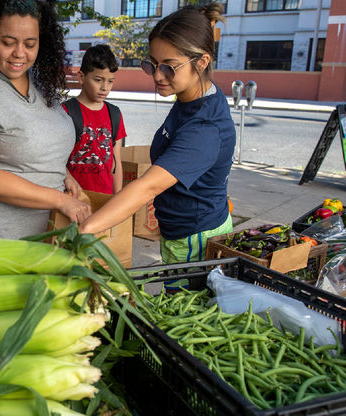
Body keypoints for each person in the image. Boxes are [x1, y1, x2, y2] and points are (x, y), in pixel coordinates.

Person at [80, 4, 235, 269]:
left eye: (169, 67)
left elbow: (147, 187)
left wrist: (86, 229)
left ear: (202, 61)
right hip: (180, 231)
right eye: (152, 64)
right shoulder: (193, 94)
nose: (158, 76)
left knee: (182, 303)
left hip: (194, 240)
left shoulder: (205, 127)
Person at [0, 0, 90, 239]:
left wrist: (63, 174)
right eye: (8, 43)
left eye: (30, 44)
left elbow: (38, 141)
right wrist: (60, 200)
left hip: (48, 230)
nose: (20, 53)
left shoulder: (38, 82)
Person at [63, 44, 126, 195]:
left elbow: (116, 162)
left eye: (110, 81)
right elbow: (53, 160)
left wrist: (117, 198)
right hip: (72, 200)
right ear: (81, 77)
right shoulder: (66, 112)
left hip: (104, 201)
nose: (105, 87)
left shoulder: (114, 114)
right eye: (98, 80)